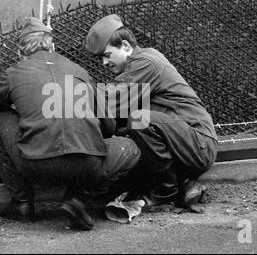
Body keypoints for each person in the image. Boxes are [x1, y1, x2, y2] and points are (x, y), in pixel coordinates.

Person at [0, 17, 140, 230]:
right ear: (52, 46)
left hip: (35, 164)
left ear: (20, 53)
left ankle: (22, 203)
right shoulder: (79, 71)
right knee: (130, 148)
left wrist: (22, 126)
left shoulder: (13, 73)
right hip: (87, 165)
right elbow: (108, 126)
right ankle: (78, 199)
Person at [85, 14, 218, 208]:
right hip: (181, 142)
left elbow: (107, 103)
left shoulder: (145, 62)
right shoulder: (140, 63)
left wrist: (62, 100)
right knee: (125, 132)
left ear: (126, 46)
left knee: (139, 120)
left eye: (107, 55)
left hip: (199, 143)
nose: (104, 63)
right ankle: (182, 184)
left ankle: (166, 189)